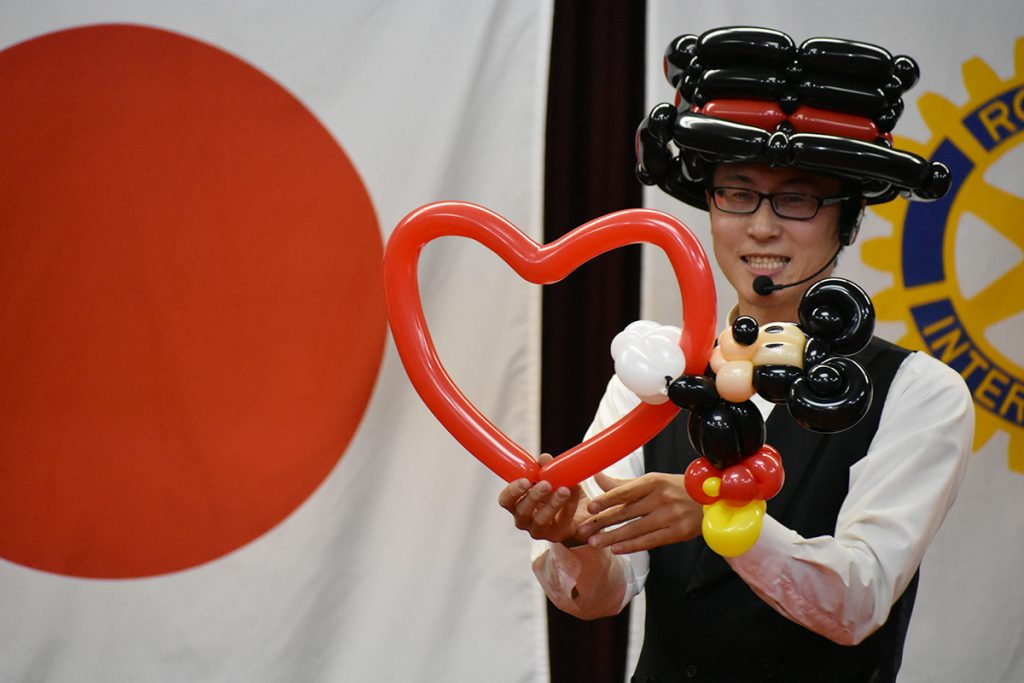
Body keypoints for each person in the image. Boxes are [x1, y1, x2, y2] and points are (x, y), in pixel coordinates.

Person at [499, 27, 974, 682]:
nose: (762, 226)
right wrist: (573, 536)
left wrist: (719, 516)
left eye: (797, 198)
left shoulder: (919, 391)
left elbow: (858, 599)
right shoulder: (653, 370)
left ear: (847, 214)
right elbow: (601, 594)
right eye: (738, 192)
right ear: (710, 202)